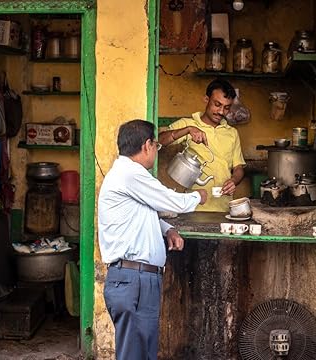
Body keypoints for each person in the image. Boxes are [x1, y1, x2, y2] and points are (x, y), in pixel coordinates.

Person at [98, 120, 207, 360]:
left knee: (143, 353)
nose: (156, 151)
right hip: (133, 280)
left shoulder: (128, 175)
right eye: (156, 145)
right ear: (147, 145)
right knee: (135, 355)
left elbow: (143, 214)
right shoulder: (131, 175)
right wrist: (198, 196)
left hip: (137, 280)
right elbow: (171, 201)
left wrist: (168, 230)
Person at [159, 78, 245, 212]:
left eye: (226, 108)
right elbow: (159, 141)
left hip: (224, 208)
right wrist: (188, 130)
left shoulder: (232, 133)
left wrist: (234, 180)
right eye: (217, 104)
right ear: (206, 99)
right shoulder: (188, 123)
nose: (221, 112)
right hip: (194, 207)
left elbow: (238, 167)